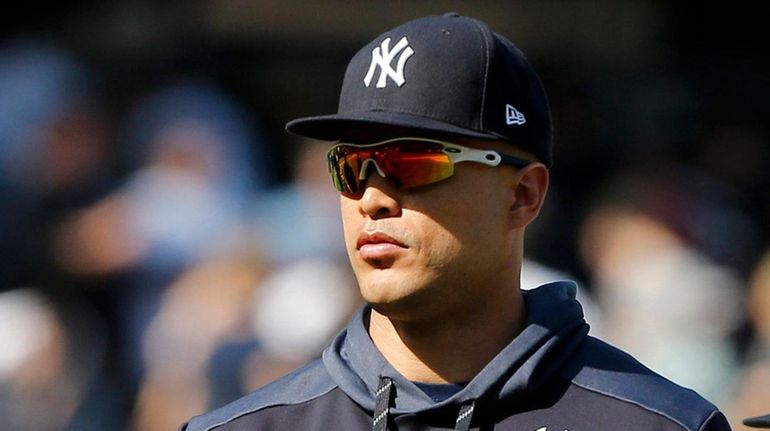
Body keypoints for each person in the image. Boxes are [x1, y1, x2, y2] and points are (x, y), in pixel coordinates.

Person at [182, 13, 731, 431]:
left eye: (412, 164)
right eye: (351, 167)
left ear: (522, 195)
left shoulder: (661, 425)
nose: (372, 198)